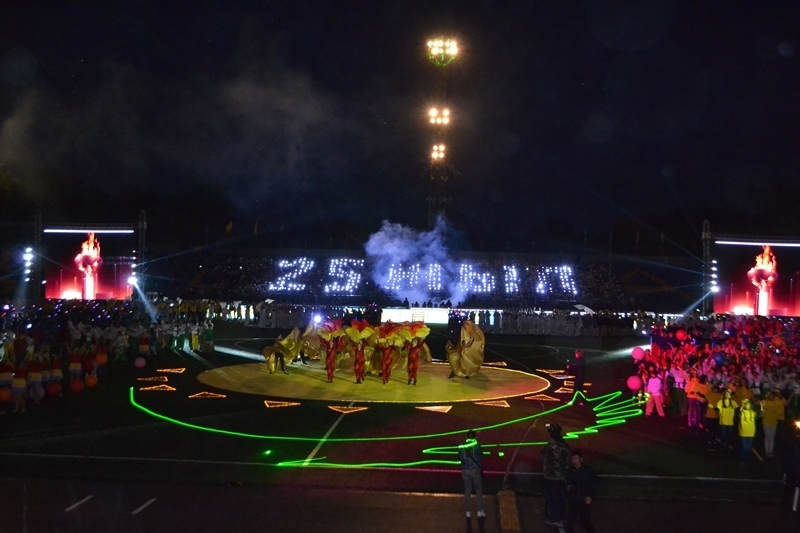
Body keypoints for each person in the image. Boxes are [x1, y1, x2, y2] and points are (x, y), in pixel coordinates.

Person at [542, 423, 571, 527]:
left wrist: (550, 442)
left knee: (553, 498)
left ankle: (555, 517)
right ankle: (561, 516)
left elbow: (543, 453)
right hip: (562, 476)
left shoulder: (551, 447)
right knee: (560, 497)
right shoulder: (564, 446)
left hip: (552, 477)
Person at [565, 449, 597, 533]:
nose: (574, 461)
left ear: (581, 459)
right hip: (573, 500)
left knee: (584, 522)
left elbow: (594, 485)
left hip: (584, 500)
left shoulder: (588, 471)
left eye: (576, 458)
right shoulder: (570, 471)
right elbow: (566, 484)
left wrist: (590, 496)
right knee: (569, 523)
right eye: (573, 458)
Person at [458, 430, 485, 521]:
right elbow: (480, 456)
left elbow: (460, 457)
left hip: (465, 470)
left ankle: (468, 512)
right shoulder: (477, 445)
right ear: (474, 437)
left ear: (466, 437)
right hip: (475, 470)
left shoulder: (461, 446)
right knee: (478, 490)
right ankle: (480, 511)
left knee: (467, 490)